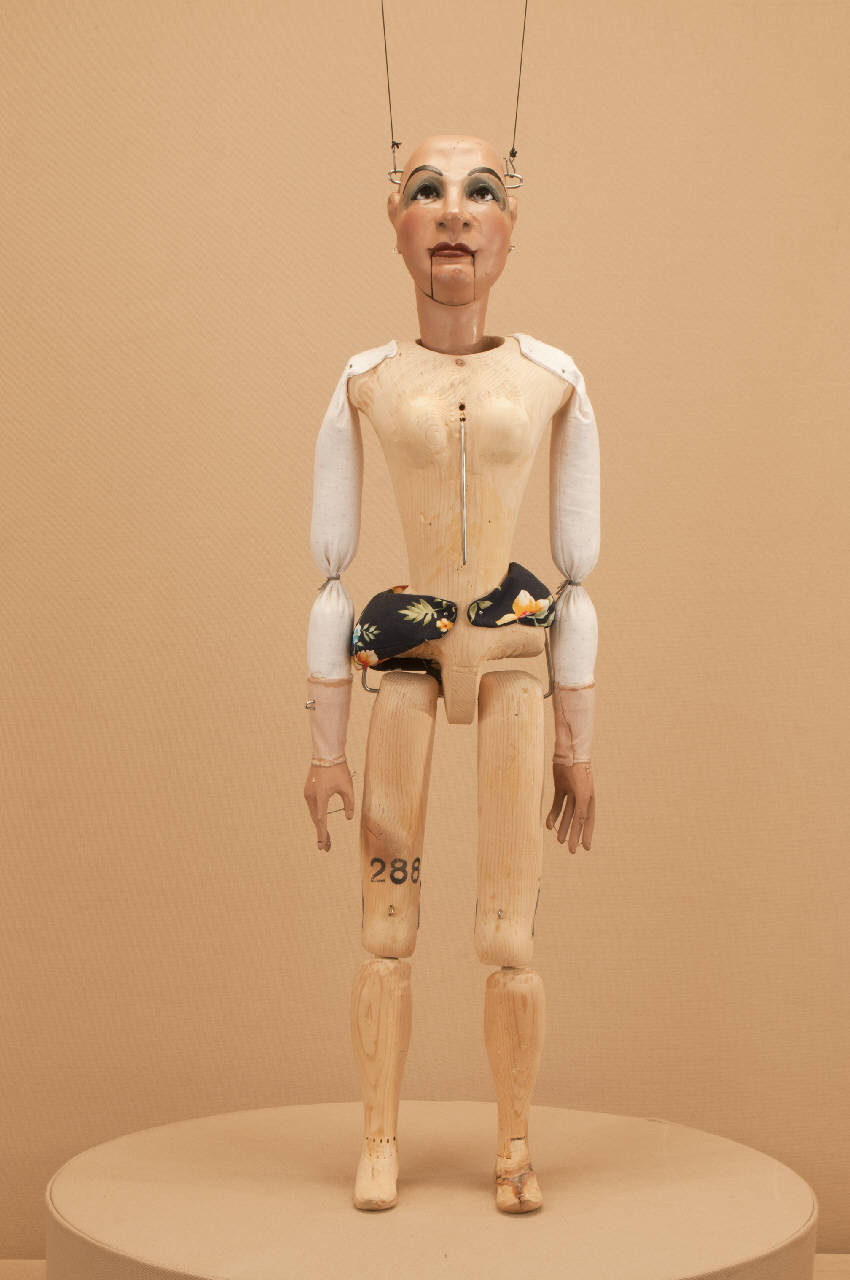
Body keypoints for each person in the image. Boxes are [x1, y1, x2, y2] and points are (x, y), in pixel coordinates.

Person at [303, 134, 600, 1213]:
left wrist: (576, 746)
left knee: (509, 934)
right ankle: (378, 1138)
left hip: (515, 656)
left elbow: (577, 572)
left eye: (482, 191)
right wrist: (325, 750)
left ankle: (513, 1145)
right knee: (386, 926)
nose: (455, 211)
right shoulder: (367, 381)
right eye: (426, 190)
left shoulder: (552, 378)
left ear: (510, 227)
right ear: (396, 223)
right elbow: (331, 574)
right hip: (409, 658)